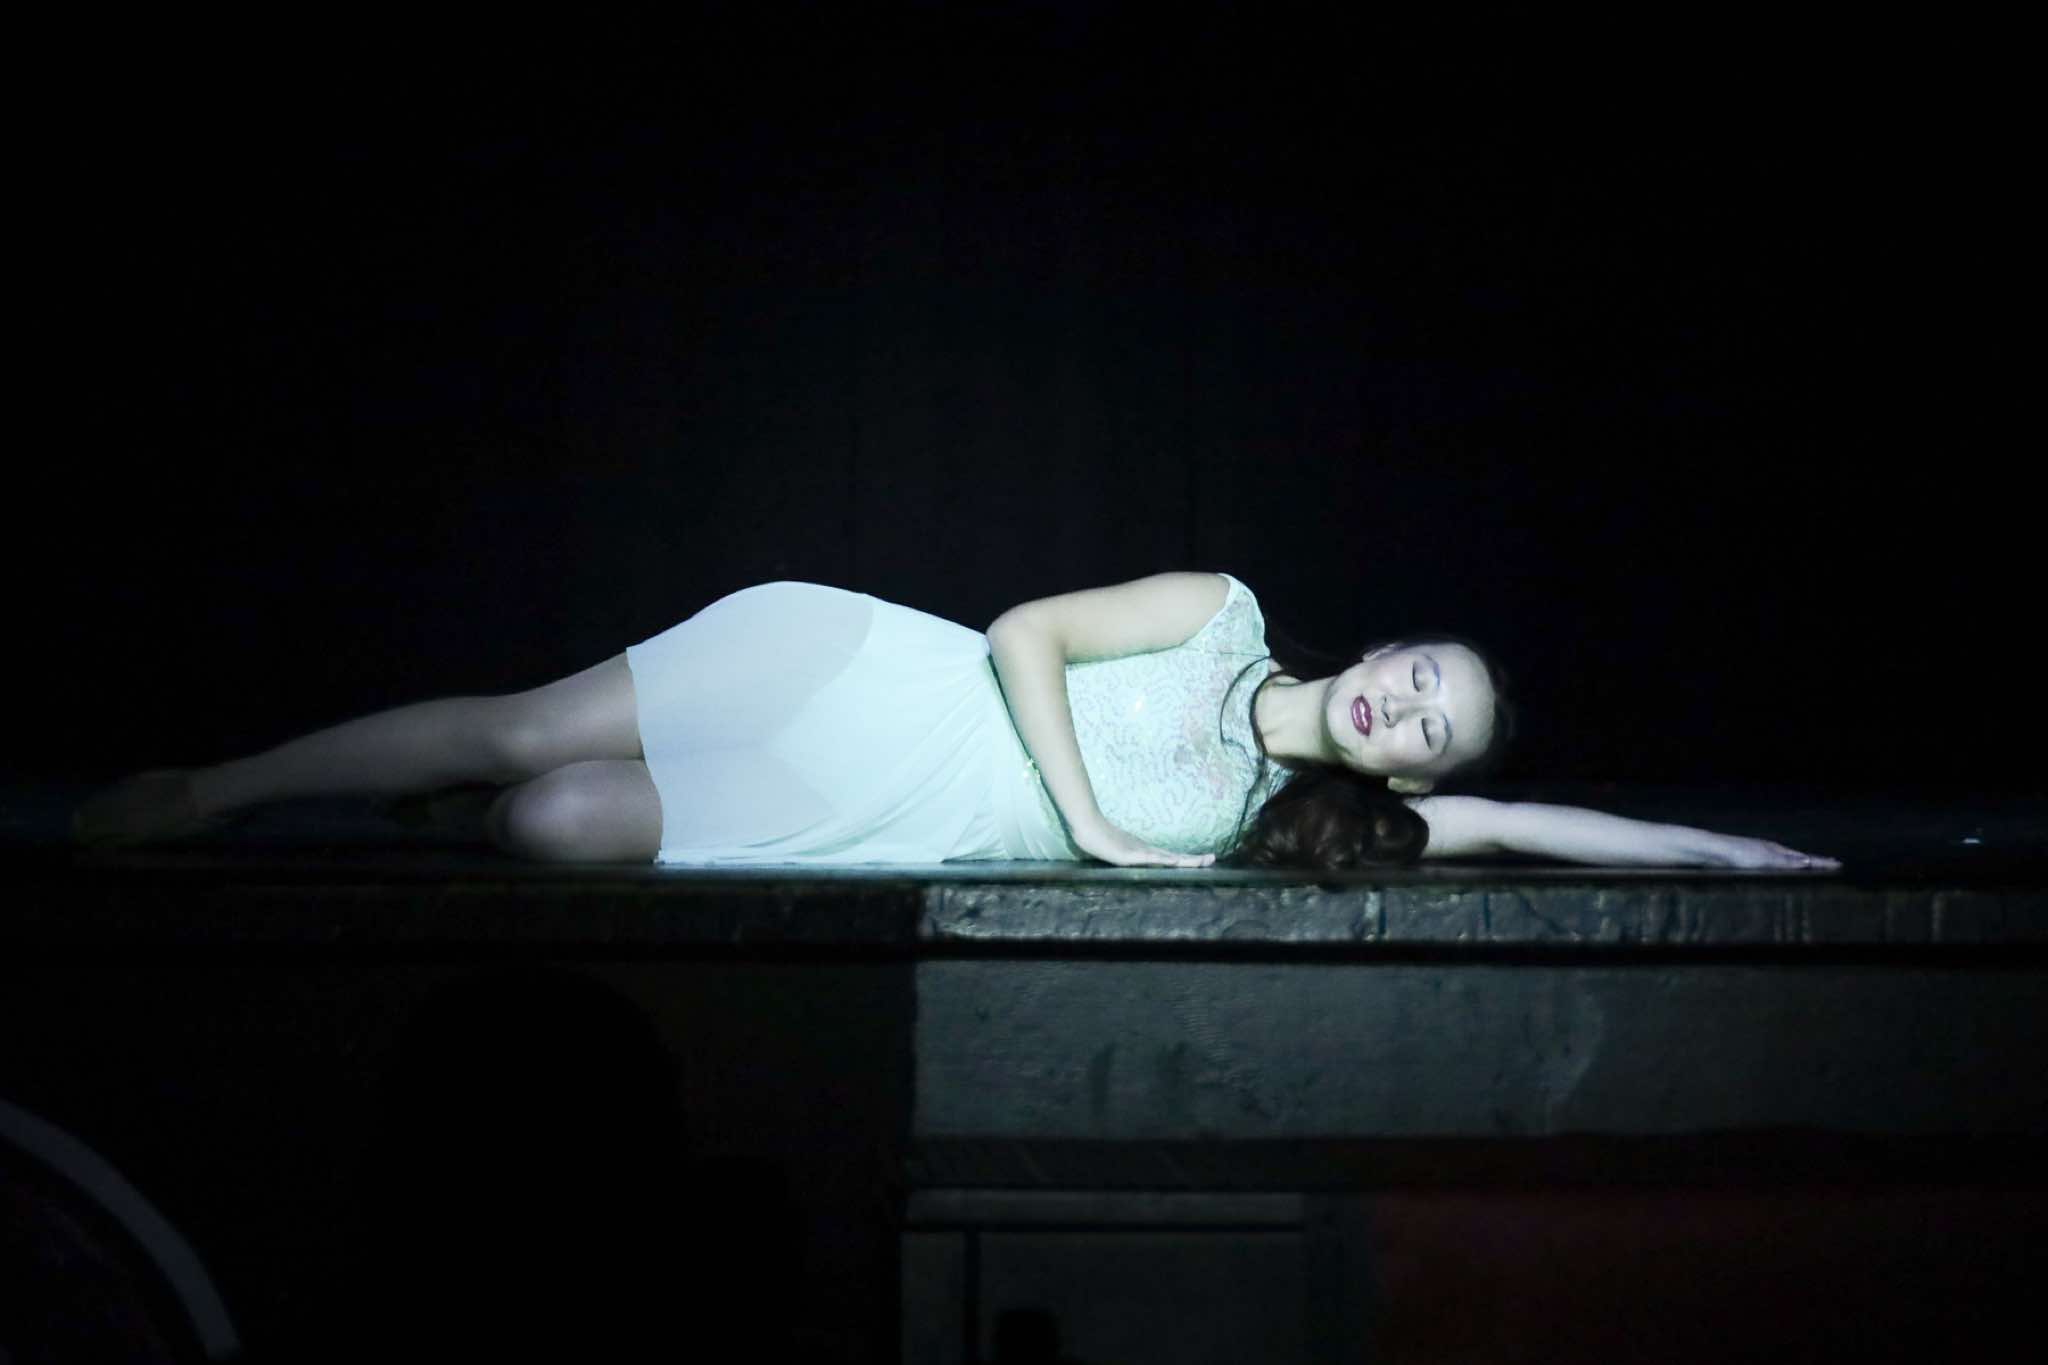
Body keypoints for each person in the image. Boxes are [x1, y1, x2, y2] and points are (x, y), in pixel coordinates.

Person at [70, 571, 1839, 872]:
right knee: (530, 737)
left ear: (1407, 768)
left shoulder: (1283, 821)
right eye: (1420, 673)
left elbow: (1527, 823)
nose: (1407, 708)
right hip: (866, 676)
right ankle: (215, 788)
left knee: (546, 824)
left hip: (883, 816)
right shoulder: (1221, 612)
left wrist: (1725, 852)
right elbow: (1023, 634)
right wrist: (1093, 824)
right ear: (1383, 648)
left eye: (1431, 730)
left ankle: (433, 815)